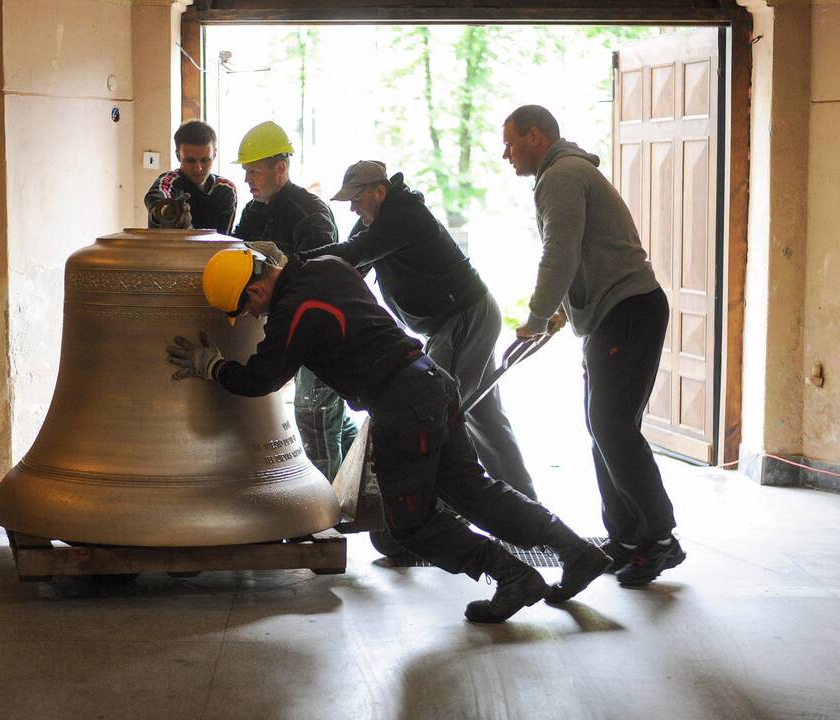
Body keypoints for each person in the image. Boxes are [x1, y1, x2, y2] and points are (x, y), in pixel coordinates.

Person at [166, 247, 612, 622]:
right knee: (474, 490)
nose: (251, 314)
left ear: (258, 287)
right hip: (432, 383)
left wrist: (212, 366)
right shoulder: (327, 267)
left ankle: (512, 576)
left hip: (403, 406)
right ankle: (575, 551)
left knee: (409, 524)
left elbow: (258, 379)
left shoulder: (294, 312)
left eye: (246, 306)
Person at [501, 104, 684, 586]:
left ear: (535, 136)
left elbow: (559, 251)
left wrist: (537, 317)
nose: (506, 154)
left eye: (511, 143)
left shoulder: (561, 175)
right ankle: (625, 538)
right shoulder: (566, 172)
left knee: (613, 427)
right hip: (615, 313)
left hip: (628, 311)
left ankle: (660, 540)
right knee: (603, 426)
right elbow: (583, 251)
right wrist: (563, 310)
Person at [298, 160, 546, 501]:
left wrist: (291, 265)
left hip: (463, 317)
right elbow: (349, 268)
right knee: (484, 417)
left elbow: (351, 253)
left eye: (357, 198)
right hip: (455, 321)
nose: (353, 207)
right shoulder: (375, 222)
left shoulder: (402, 216)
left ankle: (445, 509)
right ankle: (524, 505)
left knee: (436, 410)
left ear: (379, 192)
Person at [231, 121, 357, 481]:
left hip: (320, 330)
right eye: (245, 172)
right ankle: (358, 492)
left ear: (280, 169)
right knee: (330, 419)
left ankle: (327, 517)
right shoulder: (255, 211)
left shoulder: (310, 215)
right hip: (289, 323)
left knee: (315, 415)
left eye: (253, 171)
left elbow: (315, 284)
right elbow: (235, 254)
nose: (247, 180)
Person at [144, 120, 237, 234]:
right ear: (178, 156)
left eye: (205, 160)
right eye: (190, 161)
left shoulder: (225, 190)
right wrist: (166, 210)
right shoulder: (171, 182)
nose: (198, 168)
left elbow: (222, 242)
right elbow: (156, 195)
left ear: (214, 155)